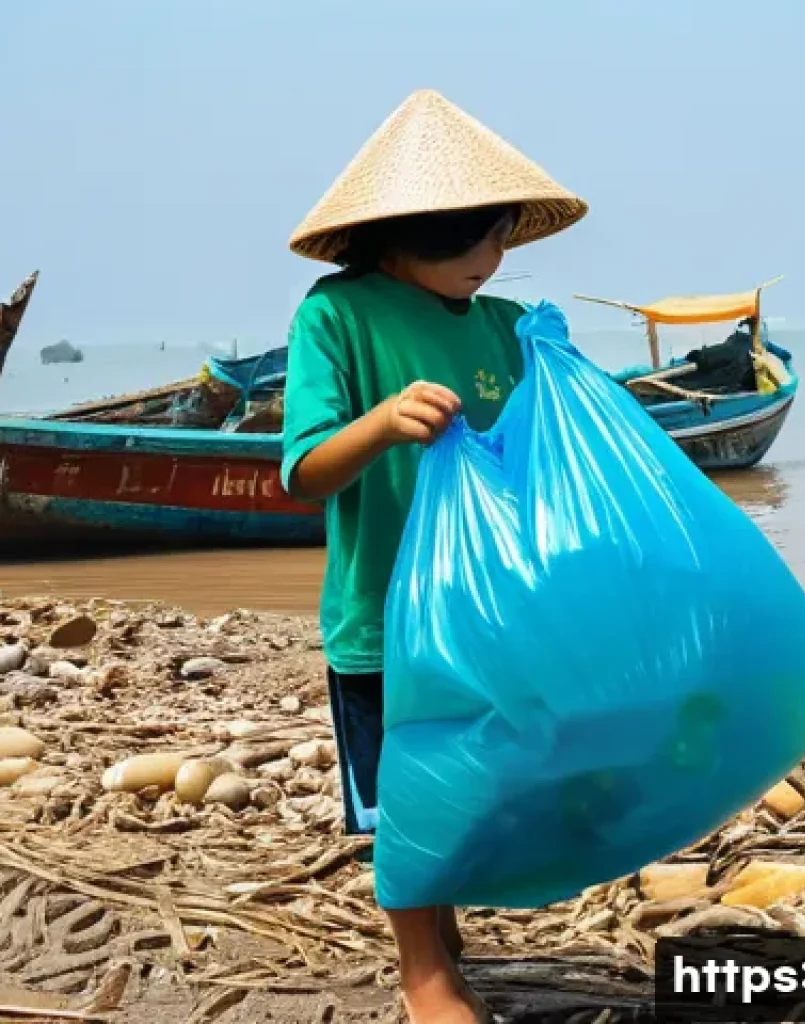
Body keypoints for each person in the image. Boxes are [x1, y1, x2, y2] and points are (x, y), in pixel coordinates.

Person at [281, 90, 587, 1024]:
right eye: (472, 243)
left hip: (491, 612)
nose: (491, 262)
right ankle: (424, 974)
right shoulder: (335, 317)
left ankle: (443, 933)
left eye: (497, 241)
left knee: (475, 774)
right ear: (401, 237)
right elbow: (303, 471)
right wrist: (382, 423)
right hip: (384, 613)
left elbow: (547, 460)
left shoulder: (498, 328)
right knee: (403, 798)